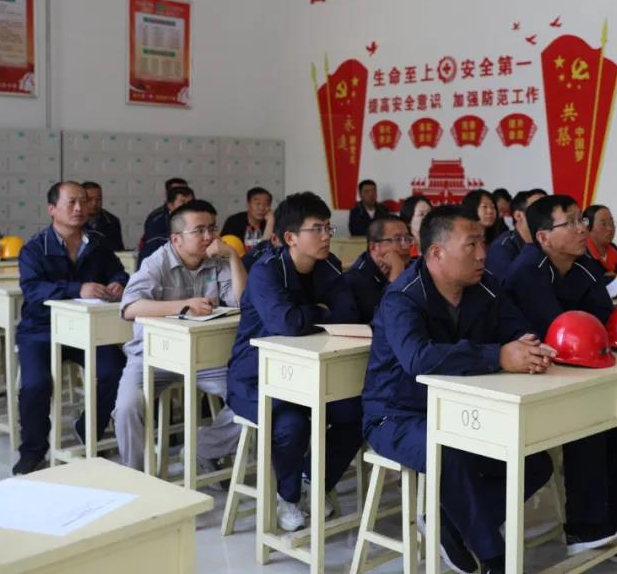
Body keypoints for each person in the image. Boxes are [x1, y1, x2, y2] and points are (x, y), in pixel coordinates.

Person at [363, 205, 556, 574]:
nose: (483, 254)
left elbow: (517, 329)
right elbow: (418, 358)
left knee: (533, 462)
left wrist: (528, 349)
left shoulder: (485, 286)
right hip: (397, 415)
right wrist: (498, 355)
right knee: (449, 452)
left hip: (462, 411)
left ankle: (448, 525)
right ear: (437, 253)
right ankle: (494, 559)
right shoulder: (403, 297)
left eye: (483, 243)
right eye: (471, 245)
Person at [503, 195, 617, 564]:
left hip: (575, 369)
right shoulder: (527, 270)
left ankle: (610, 525)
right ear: (544, 237)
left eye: (583, 220)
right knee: (590, 420)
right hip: (530, 375)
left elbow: (604, 320)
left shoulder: (583, 265)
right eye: (573, 222)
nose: (584, 229)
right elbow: (557, 332)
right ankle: (585, 528)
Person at [227, 192, 361, 532]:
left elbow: (348, 313)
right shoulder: (266, 271)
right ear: (290, 237)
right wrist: (320, 311)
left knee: (358, 413)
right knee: (292, 425)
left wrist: (309, 315)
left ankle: (312, 480)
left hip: (308, 376)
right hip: (256, 378)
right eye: (317, 229)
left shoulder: (328, 265)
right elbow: (285, 322)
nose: (326, 235)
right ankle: (288, 497)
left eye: (328, 227)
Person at [114, 200, 247, 473]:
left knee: (250, 398)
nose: (209, 236)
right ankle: (135, 476)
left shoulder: (218, 261)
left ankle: (201, 448)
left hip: (205, 358)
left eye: (212, 228)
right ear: (176, 239)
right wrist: (183, 305)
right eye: (199, 230)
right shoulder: (157, 262)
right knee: (128, 407)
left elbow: (243, 302)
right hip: (152, 356)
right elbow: (130, 308)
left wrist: (233, 256)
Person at [13, 181, 129, 475]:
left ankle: (89, 427)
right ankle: (33, 450)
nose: (80, 208)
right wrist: (78, 289)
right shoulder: (35, 248)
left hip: (85, 330)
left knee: (117, 370)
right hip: (42, 330)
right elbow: (33, 290)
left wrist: (118, 283)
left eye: (83, 202)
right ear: (52, 209)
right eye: (71, 202)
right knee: (36, 384)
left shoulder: (98, 243)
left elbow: (118, 271)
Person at [343, 215, 411, 322]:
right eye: (398, 239)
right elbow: (389, 319)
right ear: (374, 247)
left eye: (407, 239)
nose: (406, 246)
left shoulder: (412, 267)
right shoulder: (354, 280)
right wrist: (397, 269)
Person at [484, 188, 544, 282]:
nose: (547, 215)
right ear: (518, 216)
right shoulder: (501, 248)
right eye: (538, 209)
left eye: (548, 210)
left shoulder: (546, 242)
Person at [138, 185, 195, 268]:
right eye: (182, 203)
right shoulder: (156, 220)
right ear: (170, 205)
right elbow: (152, 251)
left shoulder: (198, 219)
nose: (187, 207)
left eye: (190, 203)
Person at [582, 204, 617, 278]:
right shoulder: (582, 253)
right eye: (603, 224)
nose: (610, 229)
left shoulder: (613, 248)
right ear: (587, 228)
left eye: (611, 223)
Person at [82, 181, 125, 253]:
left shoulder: (111, 221)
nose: (94, 203)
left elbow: (119, 252)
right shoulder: (71, 221)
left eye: (98, 199)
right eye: (89, 199)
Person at [399, 195, 432, 259]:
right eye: (421, 214)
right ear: (408, 220)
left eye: (429, 213)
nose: (427, 218)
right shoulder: (403, 247)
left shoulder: (438, 242)